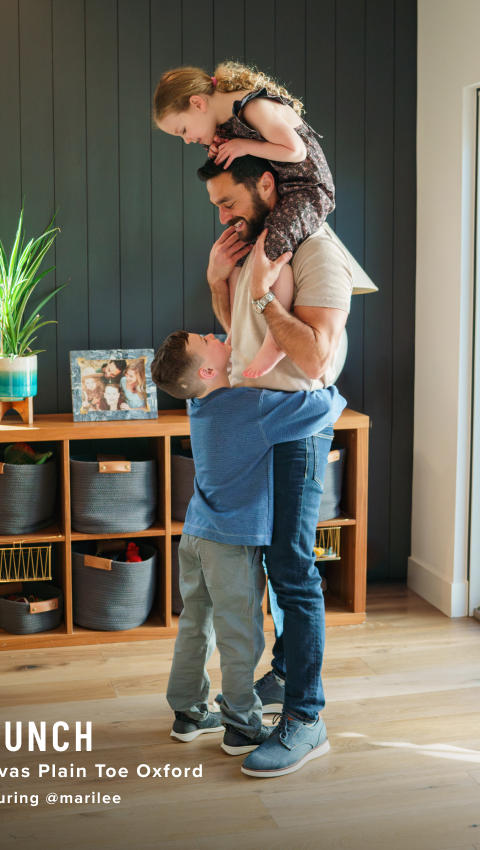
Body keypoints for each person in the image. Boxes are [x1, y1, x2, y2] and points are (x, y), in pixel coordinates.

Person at [201, 154, 353, 778]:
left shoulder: (317, 255)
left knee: (293, 567)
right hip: (252, 420)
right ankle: (288, 673)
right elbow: (239, 336)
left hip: (294, 428)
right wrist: (220, 280)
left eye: (229, 202)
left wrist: (261, 291)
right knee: (263, 557)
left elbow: (314, 358)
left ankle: (307, 717)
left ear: (266, 185)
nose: (222, 216)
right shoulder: (254, 246)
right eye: (216, 206)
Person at [150, 327, 345, 758]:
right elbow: (326, 406)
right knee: (240, 638)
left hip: (195, 534)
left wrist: (231, 341)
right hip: (231, 545)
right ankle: (241, 725)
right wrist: (330, 382)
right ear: (207, 368)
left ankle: (189, 712)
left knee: (195, 626)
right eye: (207, 339)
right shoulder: (249, 406)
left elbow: (223, 345)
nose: (214, 333)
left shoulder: (198, 403)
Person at [154, 61, 334, 379]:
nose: (185, 140)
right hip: (283, 187)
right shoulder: (226, 122)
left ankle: (276, 342)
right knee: (243, 255)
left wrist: (243, 145)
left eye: (183, 130)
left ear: (197, 103)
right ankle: (239, 336)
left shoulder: (250, 105)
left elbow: (296, 152)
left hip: (307, 189)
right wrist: (223, 148)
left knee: (270, 249)